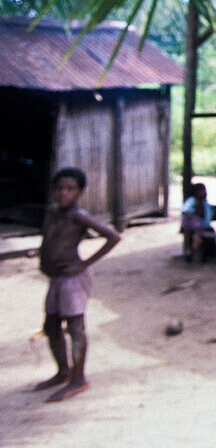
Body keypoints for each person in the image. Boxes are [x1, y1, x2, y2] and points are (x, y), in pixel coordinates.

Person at [34, 167, 121, 402]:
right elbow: (49, 239)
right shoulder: (53, 212)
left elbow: (113, 236)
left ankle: (78, 379)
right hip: (56, 278)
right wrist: (43, 259)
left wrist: (83, 265)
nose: (63, 193)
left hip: (73, 278)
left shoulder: (78, 215)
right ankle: (63, 370)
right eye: (59, 188)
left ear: (80, 192)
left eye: (70, 189)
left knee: (75, 327)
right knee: (51, 325)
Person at [180, 183, 214, 263]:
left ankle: (203, 253)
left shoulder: (204, 202)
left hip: (202, 226)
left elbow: (209, 214)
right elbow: (185, 211)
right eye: (202, 191)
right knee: (194, 233)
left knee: (208, 233)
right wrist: (193, 215)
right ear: (196, 192)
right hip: (191, 225)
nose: (205, 193)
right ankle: (190, 250)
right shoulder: (192, 201)